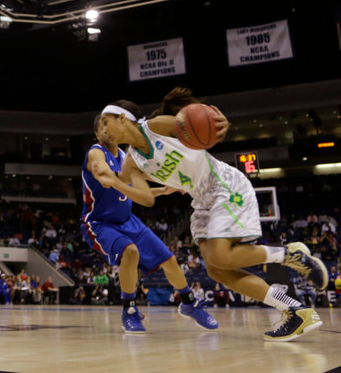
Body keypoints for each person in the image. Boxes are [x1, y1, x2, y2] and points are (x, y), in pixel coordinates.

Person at [98, 99, 328, 341]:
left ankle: (289, 255)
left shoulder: (155, 126)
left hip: (224, 185)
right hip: (201, 201)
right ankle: (294, 310)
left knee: (220, 256)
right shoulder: (130, 162)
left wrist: (219, 125)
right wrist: (115, 182)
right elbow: (146, 198)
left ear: (122, 118)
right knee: (218, 270)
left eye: (106, 122)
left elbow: (201, 123)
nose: (102, 129)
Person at [81, 112, 218, 334]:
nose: (107, 128)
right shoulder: (96, 152)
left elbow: (142, 179)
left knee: (170, 260)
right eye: (102, 126)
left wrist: (165, 188)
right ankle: (130, 311)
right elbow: (98, 167)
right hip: (99, 223)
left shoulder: (126, 157)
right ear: (97, 133)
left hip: (128, 221)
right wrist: (102, 172)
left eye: (109, 124)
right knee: (130, 251)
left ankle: (188, 303)